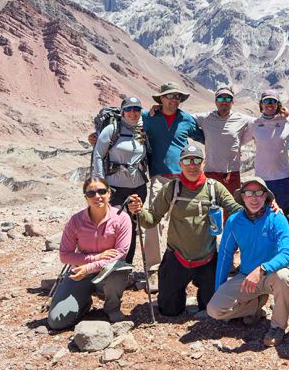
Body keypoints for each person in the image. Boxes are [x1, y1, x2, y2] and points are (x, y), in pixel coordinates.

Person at [127, 144, 243, 316]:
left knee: (211, 309)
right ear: (180, 164)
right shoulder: (171, 189)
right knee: (169, 310)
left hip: (208, 257)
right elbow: (151, 220)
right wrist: (139, 212)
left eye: (197, 160)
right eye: (187, 160)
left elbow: (235, 208)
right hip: (177, 257)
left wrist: (260, 205)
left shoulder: (214, 188)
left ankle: (203, 294)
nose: (192, 165)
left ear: (203, 164)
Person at [207, 177, 289, 347]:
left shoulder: (277, 218)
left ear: (265, 197)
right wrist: (220, 289)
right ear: (243, 197)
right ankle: (255, 307)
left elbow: (288, 254)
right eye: (249, 193)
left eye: (258, 193)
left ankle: (278, 327)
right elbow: (225, 255)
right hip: (246, 277)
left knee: (285, 276)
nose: (254, 198)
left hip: (271, 276)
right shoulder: (234, 221)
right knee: (214, 310)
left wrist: (262, 269)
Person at [143, 82, 205, 291]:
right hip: (159, 177)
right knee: (153, 221)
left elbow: (205, 137)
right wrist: (97, 137)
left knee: (185, 220)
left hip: (183, 178)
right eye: (169, 96)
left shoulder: (186, 119)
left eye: (177, 97)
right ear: (161, 99)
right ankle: (153, 269)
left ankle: (188, 263)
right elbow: (126, 121)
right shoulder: (148, 117)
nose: (174, 100)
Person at [48, 177, 132, 329]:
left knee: (120, 270)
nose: (97, 196)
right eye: (91, 193)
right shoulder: (76, 221)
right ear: (85, 197)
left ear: (109, 194)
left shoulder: (122, 218)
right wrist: (96, 258)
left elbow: (120, 253)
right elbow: (64, 255)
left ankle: (112, 308)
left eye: (101, 191)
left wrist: (88, 267)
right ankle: (84, 302)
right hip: (80, 274)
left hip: (106, 272)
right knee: (56, 322)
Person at [92, 96, 148, 264]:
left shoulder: (143, 131)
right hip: (115, 188)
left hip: (138, 188)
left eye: (136, 109)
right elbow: (98, 155)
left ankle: (125, 265)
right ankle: (107, 264)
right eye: (129, 109)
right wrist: (101, 185)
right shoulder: (112, 129)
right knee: (111, 227)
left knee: (131, 227)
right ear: (122, 112)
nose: (133, 113)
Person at [245, 90, 289, 229]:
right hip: (262, 179)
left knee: (285, 213)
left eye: (273, 101)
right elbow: (237, 141)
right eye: (266, 101)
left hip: (283, 177)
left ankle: (286, 245)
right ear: (261, 104)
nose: (269, 104)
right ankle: (265, 246)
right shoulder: (254, 124)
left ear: (278, 104)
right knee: (262, 213)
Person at [194, 86, 254, 196]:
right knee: (210, 206)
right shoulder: (205, 118)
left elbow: (261, 123)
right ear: (216, 102)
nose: (224, 102)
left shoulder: (241, 118)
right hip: (210, 171)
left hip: (232, 173)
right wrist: (160, 108)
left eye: (228, 99)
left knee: (232, 207)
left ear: (232, 102)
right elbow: (183, 118)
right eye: (221, 99)